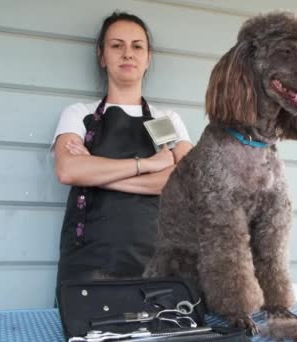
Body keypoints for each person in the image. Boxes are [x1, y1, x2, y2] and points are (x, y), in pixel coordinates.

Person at [50, 11, 193, 294]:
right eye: (117, 45)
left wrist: (93, 172)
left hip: (158, 264)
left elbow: (186, 183)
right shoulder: (79, 114)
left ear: (148, 57)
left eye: (137, 46)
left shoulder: (166, 120)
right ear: (102, 56)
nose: (128, 53)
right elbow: (68, 170)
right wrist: (149, 164)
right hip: (87, 264)